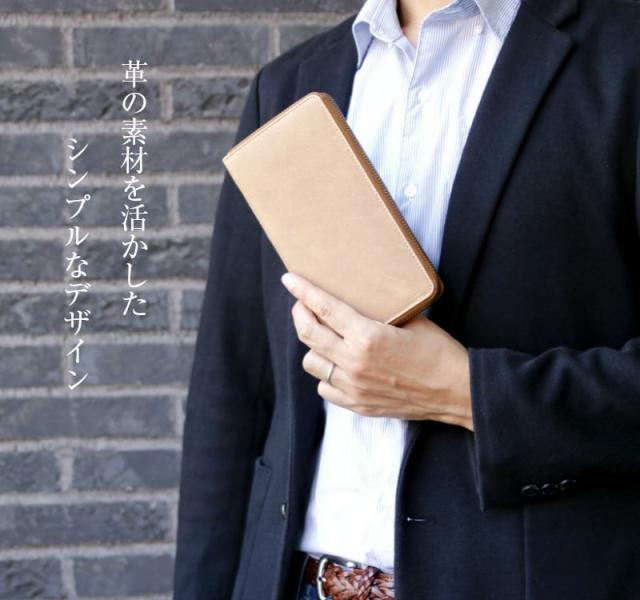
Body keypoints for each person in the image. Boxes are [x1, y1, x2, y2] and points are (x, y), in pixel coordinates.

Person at [173, 0, 640, 598]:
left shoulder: (623, 56)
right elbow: (234, 384)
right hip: (299, 582)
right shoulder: (289, 84)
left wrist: (469, 393)